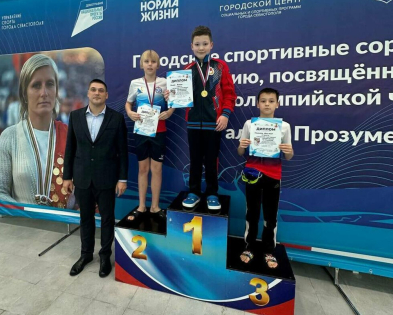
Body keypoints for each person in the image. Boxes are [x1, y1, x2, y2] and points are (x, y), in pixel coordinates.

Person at [63, 79, 128, 277]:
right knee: (85, 218)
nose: (97, 93)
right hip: (82, 177)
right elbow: (70, 148)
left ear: (106, 95)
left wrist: (122, 179)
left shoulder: (116, 118)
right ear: (88, 93)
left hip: (107, 178)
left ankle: (105, 256)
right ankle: (86, 255)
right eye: (93, 89)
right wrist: (67, 177)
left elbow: (123, 152)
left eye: (101, 90)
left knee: (107, 219)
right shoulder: (75, 116)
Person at [167, 25, 236, 210]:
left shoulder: (220, 66)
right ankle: (194, 192)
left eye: (205, 44)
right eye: (197, 44)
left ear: (211, 45)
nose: (201, 47)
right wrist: (171, 96)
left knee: (212, 161)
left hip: (214, 123)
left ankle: (212, 193)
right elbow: (182, 98)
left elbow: (230, 94)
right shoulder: (187, 69)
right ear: (191, 46)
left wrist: (225, 115)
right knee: (195, 160)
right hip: (193, 123)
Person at [0, 54, 70, 208]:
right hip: (24, 222)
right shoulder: (9, 137)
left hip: (66, 222)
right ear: (24, 93)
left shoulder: (72, 136)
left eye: (50, 84)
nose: (44, 93)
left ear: (56, 90)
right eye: (36, 85)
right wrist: (29, 214)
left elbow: (85, 191)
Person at [237, 88, 294, 269]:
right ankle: (249, 247)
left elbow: (288, 156)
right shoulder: (249, 124)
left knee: (270, 215)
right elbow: (240, 152)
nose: (267, 104)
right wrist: (242, 146)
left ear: (277, 104)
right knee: (252, 213)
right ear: (257, 104)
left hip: (273, 175)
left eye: (271, 101)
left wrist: (289, 151)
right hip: (252, 174)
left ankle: (269, 250)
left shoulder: (284, 126)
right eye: (263, 101)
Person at [125, 50, 174, 221]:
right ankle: (141, 206)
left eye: (153, 61)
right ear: (141, 64)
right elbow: (128, 103)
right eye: (147, 61)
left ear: (158, 65)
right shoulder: (135, 83)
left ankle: (155, 206)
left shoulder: (165, 83)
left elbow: (174, 102)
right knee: (143, 169)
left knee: (157, 169)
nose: (150, 64)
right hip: (141, 130)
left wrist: (170, 111)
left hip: (159, 131)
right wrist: (130, 113)